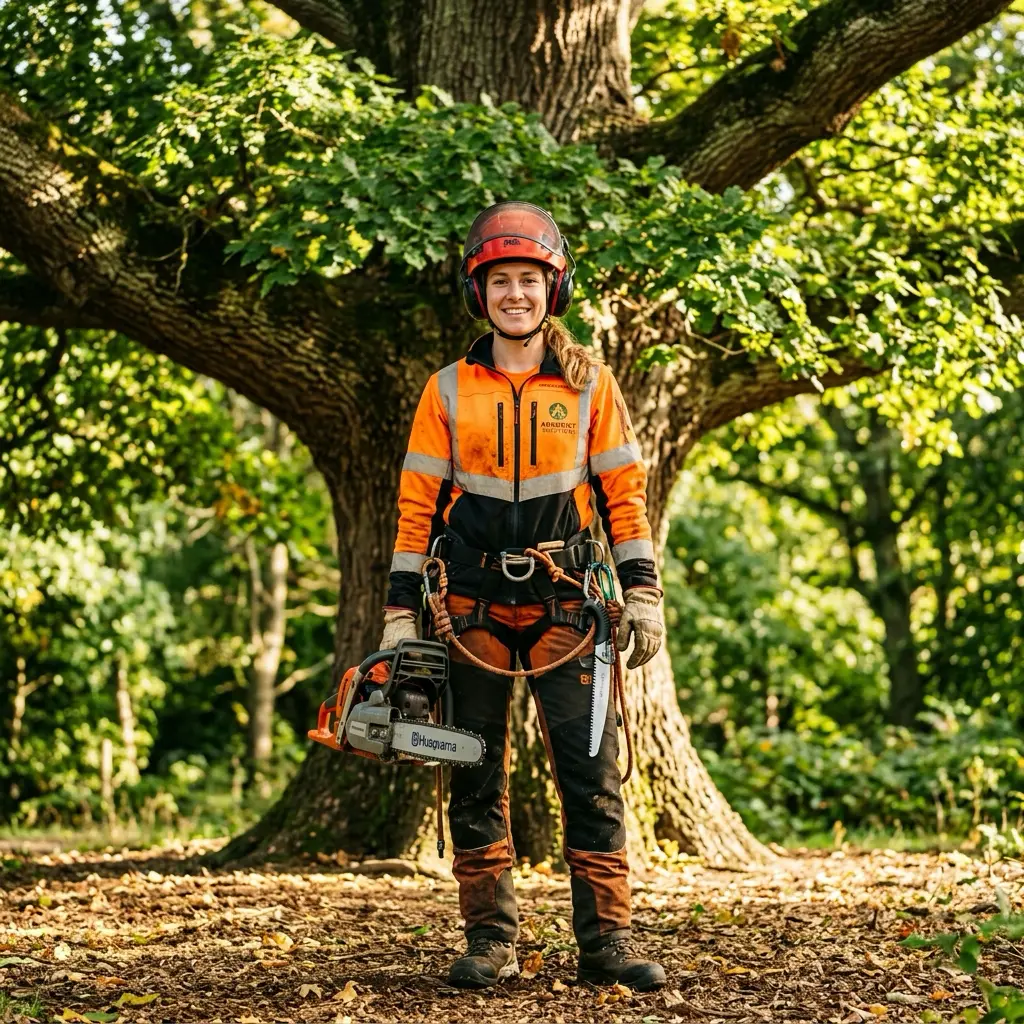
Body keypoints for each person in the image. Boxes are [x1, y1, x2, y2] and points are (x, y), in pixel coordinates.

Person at [380, 202, 666, 991]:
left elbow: (625, 499)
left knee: (591, 769)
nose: (515, 294)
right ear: (480, 293)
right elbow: (416, 507)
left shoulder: (590, 384)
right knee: (472, 767)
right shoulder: (446, 390)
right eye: (500, 280)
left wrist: (643, 596)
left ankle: (606, 939)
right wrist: (401, 613)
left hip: (569, 602)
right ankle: (488, 939)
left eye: (529, 280)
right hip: (464, 601)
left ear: (554, 288)